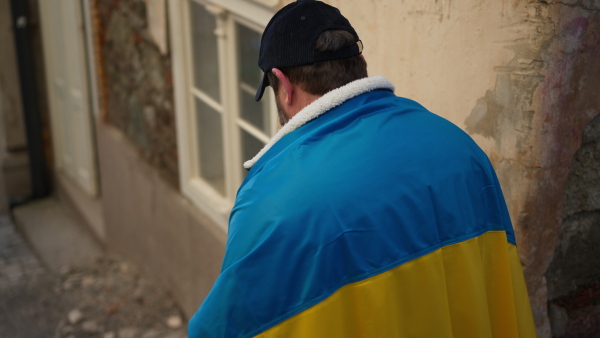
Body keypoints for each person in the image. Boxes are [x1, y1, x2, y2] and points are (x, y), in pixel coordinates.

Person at [188, 0, 536, 337]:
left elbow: (227, 327)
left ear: (284, 84)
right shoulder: (462, 150)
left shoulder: (270, 201)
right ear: (360, 62)